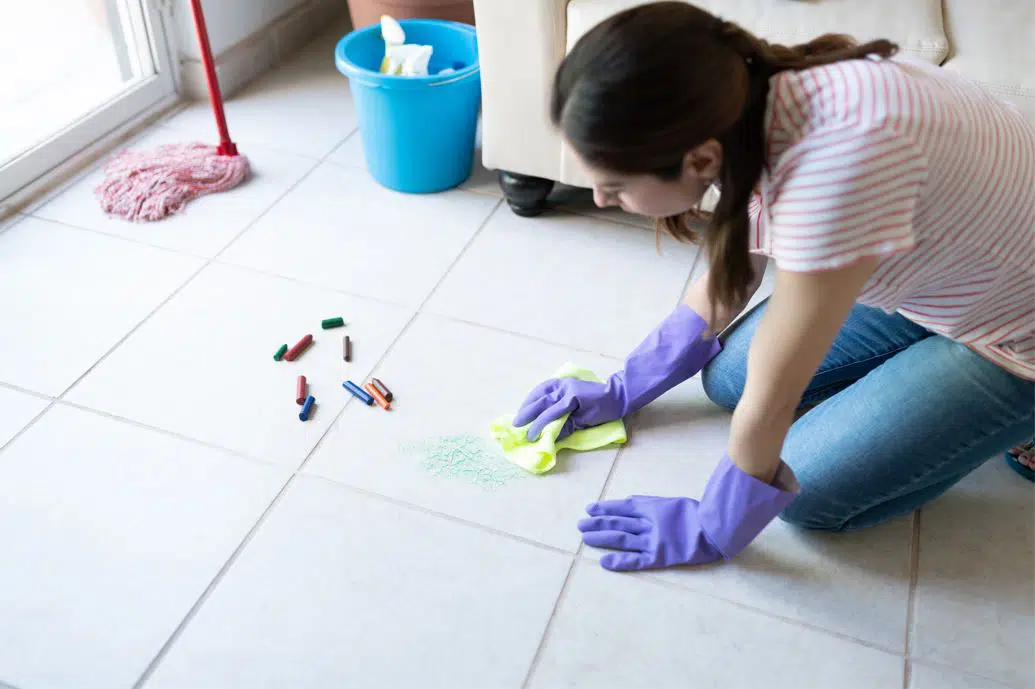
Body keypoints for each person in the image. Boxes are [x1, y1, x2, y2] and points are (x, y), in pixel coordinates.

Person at [512, 2, 1035, 572]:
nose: (599, 200)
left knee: (809, 491)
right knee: (726, 376)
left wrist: (716, 525)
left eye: (614, 186)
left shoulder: (833, 179)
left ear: (700, 157)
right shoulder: (753, 93)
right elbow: (729, 286)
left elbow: (771, 399)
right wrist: (623, 387)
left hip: (1018, 335)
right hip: (952, 258)